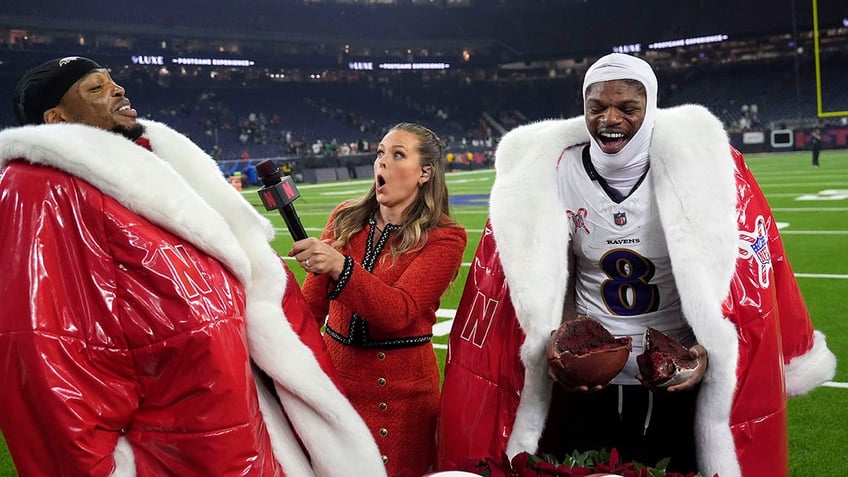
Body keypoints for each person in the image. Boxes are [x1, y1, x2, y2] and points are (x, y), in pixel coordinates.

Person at [437, 53, 836, 477]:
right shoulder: (554, 170)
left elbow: (736, 284)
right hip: (590, 387)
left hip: (677, 386)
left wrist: (705, 356)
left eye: (627, 108)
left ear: (650, 109)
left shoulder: (703, 169)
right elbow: (552, 274)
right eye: (597, 108)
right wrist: (560, 340)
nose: (610, 119)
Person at [0, 56, 387, 476]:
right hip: (173, 451)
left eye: (113, 82)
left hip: (241, 426)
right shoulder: (38, 187)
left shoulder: (160, 170)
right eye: (94, 89)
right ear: (55, 119)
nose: (117, 90)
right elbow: (42, 352)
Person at [289, 122, 467, 477]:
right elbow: (311, 308)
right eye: (380, 153)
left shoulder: (446, 238)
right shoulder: (344, 217)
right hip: (335, 386)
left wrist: (340, 265)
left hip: (401, 398)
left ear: (424, 173)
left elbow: (397, 311)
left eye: (398, 154)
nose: (382, 163)